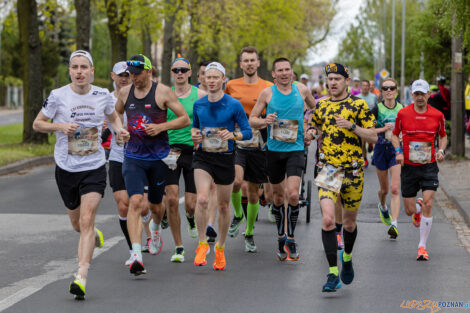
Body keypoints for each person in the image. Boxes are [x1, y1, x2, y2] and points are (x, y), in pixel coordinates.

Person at [32, 50, 130, 299]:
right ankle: (94, 234)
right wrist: (60, 126)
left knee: (87, 220)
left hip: (94, 167)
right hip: (66, 168)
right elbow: (37, 123)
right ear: (69, 71)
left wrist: (120, 131)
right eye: (74, 67)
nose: (79, 72)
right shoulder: (57, 96)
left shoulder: (102, 96)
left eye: (84, 67)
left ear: (92, 71)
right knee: (78, 225)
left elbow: (114, 117)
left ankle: (81, 277)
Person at [115, 54, 190, 275]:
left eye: (137, 74)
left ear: (148, 72)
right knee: (135, 201)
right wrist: (120, 130)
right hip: (133, 157)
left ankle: (156, 228)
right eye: (130, 74)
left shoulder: (163, 92)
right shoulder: (124, 91)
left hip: (158, 157)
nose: (133, 78)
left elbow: (184, 119)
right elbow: (115, 114)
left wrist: (161, 127)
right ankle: (136, 254)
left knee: (158, 206)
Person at [306, 62, 377, 292]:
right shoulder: (321, 105)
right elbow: (315, 127)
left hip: (353, 171)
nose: (333, 83)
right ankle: (332, 273)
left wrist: (353, 127)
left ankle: (347, 256)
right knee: (328, 220)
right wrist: (310, 133)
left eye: (338, 79)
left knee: (348, 223)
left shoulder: (359, 105)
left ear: (347, 81)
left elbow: (373, 138)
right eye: (330, 79)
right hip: (328, 169)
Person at [250, 57, 316, 262]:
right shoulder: (267, 93)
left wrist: (310, 128)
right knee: (277, 198)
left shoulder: (302, 90)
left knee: (293, 195)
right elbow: (252, 119)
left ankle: (292, 238)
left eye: (287, 69)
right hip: (274, 151)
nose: (285, 73)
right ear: (274, 74)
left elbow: (316, 110)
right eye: (280, 70)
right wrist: (264, 121)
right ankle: (280, 237)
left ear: (292, 72)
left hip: (296, 149)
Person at [191, 62, 252, 270]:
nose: (212, 81)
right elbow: (195, 128)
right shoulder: (199, 104)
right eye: (208, 77)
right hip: (203, 157)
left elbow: (248, 132)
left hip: (225, 157)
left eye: (216, 77)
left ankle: (220, 248)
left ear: (223, 80)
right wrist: (194, 134)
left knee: (224, 206)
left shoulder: (234, 104)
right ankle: (201, 244)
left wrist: (233, 134)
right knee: (202, 198)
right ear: (204, 79)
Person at [391, 79, 447, 261]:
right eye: (417, 94)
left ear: (428, 95)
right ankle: (417, 209)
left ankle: (422, 246)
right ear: (412, 95)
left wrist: (440, 150)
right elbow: (394, 136)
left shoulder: (437, 115)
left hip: (429, 166)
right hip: (408, 166)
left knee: (429, 203)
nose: (420, 97)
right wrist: (398, 152)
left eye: (423, 93)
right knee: (408, 210)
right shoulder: (403, 114)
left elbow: (443, 136)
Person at [225, 46, 273, 252]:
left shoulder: (268, 86)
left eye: (253, 60)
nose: (250, 63)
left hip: (259, 139)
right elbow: (222, 107)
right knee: (236, 181)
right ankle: (237, 214)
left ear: (258, 63)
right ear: (241, 64)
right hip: (237, 138)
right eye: (246, 60)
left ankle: (250, 232)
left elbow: (275, 110)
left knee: (254, 193)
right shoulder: (231, 85)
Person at [166, 56, 206, 262]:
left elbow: (211, 118)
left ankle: (190, 218)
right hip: (171, 151)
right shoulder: (164, 94)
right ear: (171, 74)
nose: (179, 73)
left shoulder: (200, 95)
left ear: (190, 73)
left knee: (191, 204)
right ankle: (178, 246)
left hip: (193, 151)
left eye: (183, 70)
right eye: (175, 70)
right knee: (172, 199)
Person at [371, 78, 403, 239]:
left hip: (396, 150)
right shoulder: (377, 109)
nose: (389, 91)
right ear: (381, 91)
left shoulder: (402, 108)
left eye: (392, 88)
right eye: (385, 88)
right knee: (384, 190)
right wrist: (383, 129)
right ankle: (383, 206)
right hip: (380, 149)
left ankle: (394, 223)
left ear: (396, 91)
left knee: (395, 188)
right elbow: (368, 130)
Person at [357, 79, 378, 168]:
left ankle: (370, 144)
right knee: (362, 142)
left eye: (367, 86)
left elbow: (377, 109)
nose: (365, 87)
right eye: (363, 85)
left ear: (369, 87)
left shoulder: (374, 97)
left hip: (371, 123)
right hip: (361, 123)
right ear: (361, 87)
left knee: (370, 139)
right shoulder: (357, 97)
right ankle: (365, 158)